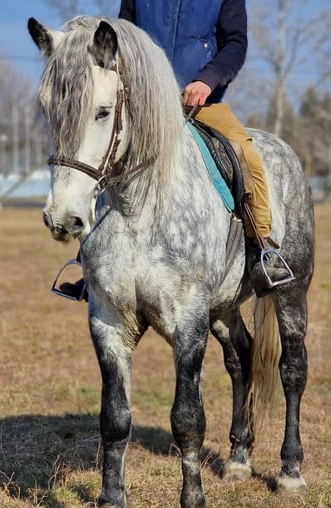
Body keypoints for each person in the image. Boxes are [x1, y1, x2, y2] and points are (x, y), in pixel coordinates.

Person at [59, 0, 292, 300]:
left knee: (246, 155)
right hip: (142, 105)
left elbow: (235, 44)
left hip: (199, 102)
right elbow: (120, 39)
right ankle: (89, 264)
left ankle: (262, 253)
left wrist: (207, 81)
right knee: (98, 155)